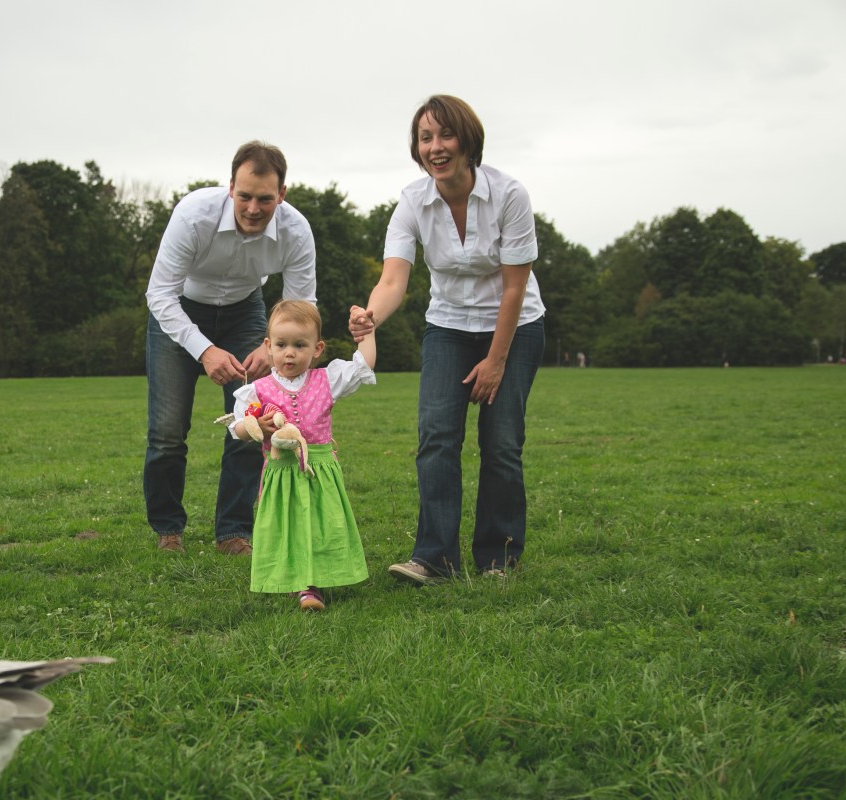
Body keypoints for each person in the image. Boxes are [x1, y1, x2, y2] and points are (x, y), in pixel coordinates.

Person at [350, 94, 545, 584]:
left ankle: (498, 558)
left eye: (445, 135)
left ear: (468, 140)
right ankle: (435, 557)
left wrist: (496, 361)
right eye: (425, 138)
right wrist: (371, 316)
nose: (435, 147)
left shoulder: (509, 195)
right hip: (448, 327)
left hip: (515, 326)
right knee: (437, 436)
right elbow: (393, 277)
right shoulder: (412, 201)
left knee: (501, 441)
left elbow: (515, 287)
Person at [144, 142, 317, 555]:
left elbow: (300, 307)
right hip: (180, 310)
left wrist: (267, 348)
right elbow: (160, 294)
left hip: (246, 313)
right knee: (167, 431)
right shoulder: (193, 215)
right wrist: (205, 350)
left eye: (265, 199)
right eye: (245, 196)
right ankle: (168, 529)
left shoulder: (296, 231)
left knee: (254, 423)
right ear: (230, 188)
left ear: (282, 194)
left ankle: (233, 531)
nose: (253, 209)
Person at [229, 300, 376, 611]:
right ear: (268, 347)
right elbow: (237, 428)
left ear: (317, 349)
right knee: (288, 526)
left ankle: (313, 581)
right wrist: (256, 426)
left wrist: (367, 332)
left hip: (319, 471)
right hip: (281, 473)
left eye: (299, 345)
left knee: (320, 525)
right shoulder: (258, 389)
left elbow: (363, 364)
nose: (290, 353)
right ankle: (298, 581)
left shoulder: (326, 380)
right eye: (281, 345)